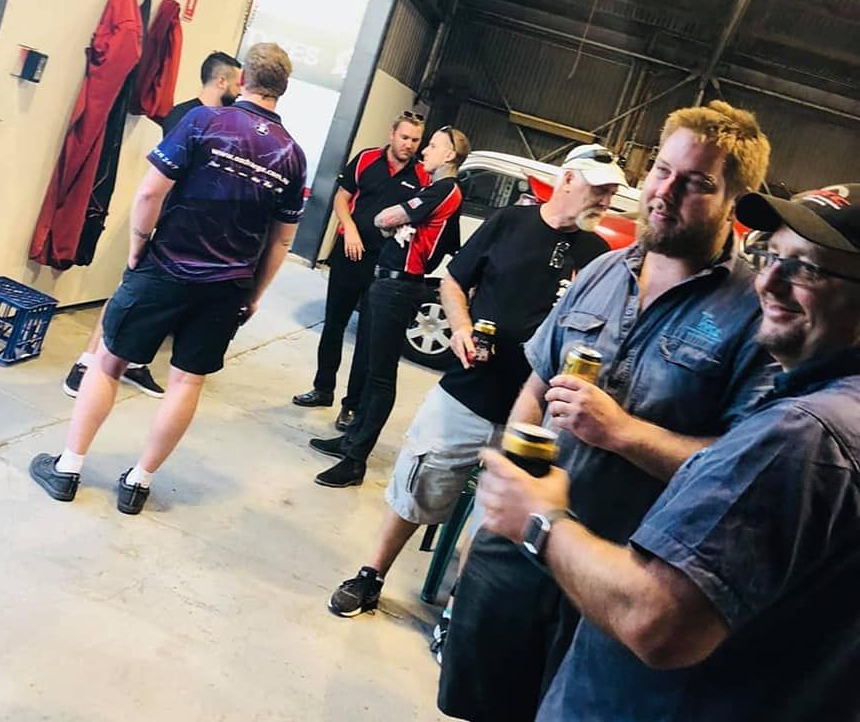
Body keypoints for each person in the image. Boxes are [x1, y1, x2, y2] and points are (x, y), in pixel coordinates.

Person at [438, 101, 775, 722]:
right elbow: (535, 389)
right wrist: (507, 490)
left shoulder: (752, 314)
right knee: (475, 705)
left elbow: (745, 473)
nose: (666, 193)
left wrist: (623, 434)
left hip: (616, 581)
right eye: (662, 172)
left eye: (698, 182)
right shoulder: (600, 270)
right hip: (519, 553)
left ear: (735, 201)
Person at [475, 183, 860, 721]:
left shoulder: (804, 434)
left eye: (808, 268)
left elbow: (655, 620)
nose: (770, 281)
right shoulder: (606, 270)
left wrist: (540, 520)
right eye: (771, 254)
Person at [325, 144, 625, 620]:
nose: (605, 201)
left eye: (611, 194)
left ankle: (456, 614)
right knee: (418, 483)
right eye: (599, 190)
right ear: (568, 181)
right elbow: (452, 282)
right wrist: (461, 327)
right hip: (468, 389)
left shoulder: (598, 256)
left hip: (534, 416)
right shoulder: (510, 223)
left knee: (497, 518)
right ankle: (371, 575)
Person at [30, 43, 305, 514]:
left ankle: (68, 468)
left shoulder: (204, 122)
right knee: (186, 383)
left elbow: (150, 192)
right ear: (283, 89)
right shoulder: (291, 155)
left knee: (108, 364)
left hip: (166, 267)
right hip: (229, 285)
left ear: (243, 81)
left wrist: (139, 247)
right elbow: (281, 241)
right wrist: (255, 294)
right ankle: (138, 483)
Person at [61, 51, 244, 400]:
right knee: (127, 293)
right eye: (237, 82)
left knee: (149, 303)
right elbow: (165, 180)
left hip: (181, 228)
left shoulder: (208, 117)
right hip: (166, 223)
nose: (239, 89)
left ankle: (131, 364)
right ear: (221, 81)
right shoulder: (189, 117)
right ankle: (84, 365)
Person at [311, 125, 471, 488]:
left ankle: (356, 460)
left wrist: (391, 222)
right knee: (367, 363)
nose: (423, 150)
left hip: (399, 287)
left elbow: (385, 219)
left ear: (449, 156)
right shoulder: (431, 188)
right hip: (384, 279)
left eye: (431, 145)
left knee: (380, 375)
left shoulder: (446, 189)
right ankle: (350, 440)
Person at [292, 112, 428, 430]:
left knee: (367, 339)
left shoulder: (422, 177)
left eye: (415, 140)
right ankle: (322, 388)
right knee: (334, 325)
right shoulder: (366, 159)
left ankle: (351, 406)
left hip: (384, 267)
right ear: (392, 133)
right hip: (349, 255)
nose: (408, 145)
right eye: (404, 137)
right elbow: (342, 199)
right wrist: (350, 229)